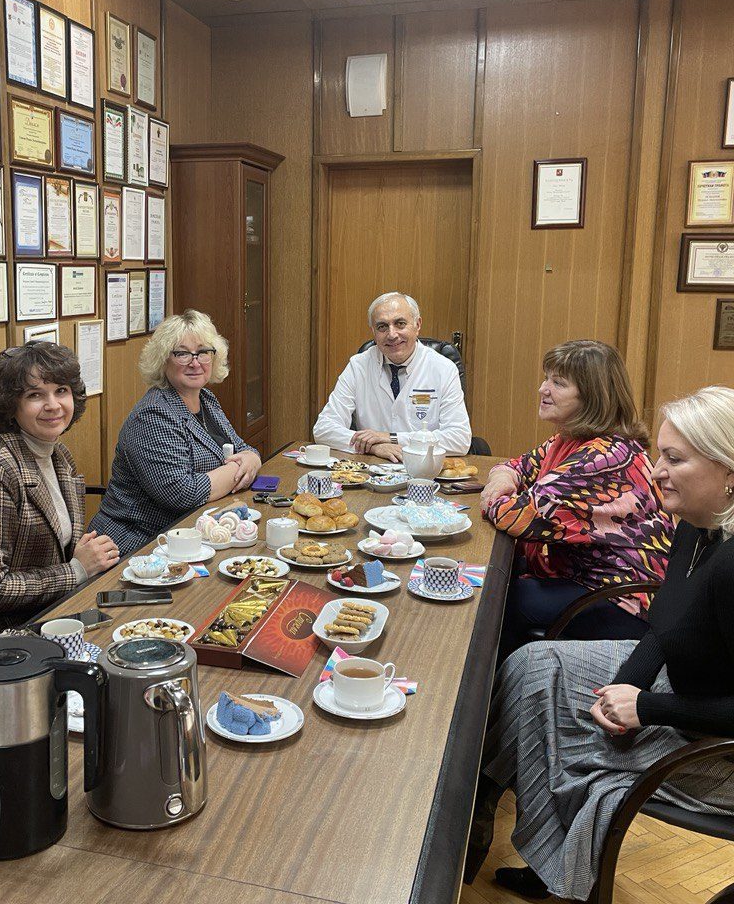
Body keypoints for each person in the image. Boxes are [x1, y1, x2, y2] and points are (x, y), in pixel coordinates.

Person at [465, 385, 734, 902]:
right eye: (660, 454)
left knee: (570, 733)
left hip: (714, 747)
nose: (655, 471)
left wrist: (646, 706)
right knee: (531, 666)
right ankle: (493, 810)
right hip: (683, 683)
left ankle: (547, 859)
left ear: (728, 473)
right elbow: (664, 627)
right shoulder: (698, 527)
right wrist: (626, 682)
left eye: (674, 459)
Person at [481, 340, 672, 660]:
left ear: (591, 396)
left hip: (621, 600)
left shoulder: (603, 458)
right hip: (587, 580)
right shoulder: (571, 439)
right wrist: (503, 480)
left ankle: (493, 702)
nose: (543, 388)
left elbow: (514, 515)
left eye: (558, 382)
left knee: (496, 603)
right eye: (546, 378)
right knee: (497, 585)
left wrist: (497, 492)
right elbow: (515, 467)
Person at [0, 342, 119, 634]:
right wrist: (76, 570)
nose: (53, 405)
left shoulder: (59, 455)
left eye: (61, 390)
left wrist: (91, 558)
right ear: (11, 406)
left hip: (53, 613)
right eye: (35, 395)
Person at [91, 310, 261, 556]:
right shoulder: (153, 415)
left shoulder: (205, 399)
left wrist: (252, 458)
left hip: (190, 533)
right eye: (182, 353)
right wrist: (239, 468)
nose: (195, 362)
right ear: (163, 360)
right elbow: (183, 494)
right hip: (138, 544)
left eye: (203, 352)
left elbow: (244, 449)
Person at [312, 292, 471, 462]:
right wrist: (374, 447)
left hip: (424, 472)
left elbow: (459, 439)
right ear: (373, 331)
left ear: (417, 325)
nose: (392, 334)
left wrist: (391, 438)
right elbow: (323, 429)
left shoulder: (443, 368)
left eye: (400, 323)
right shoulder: (358, 366)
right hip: (371, 473)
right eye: (382, 327)